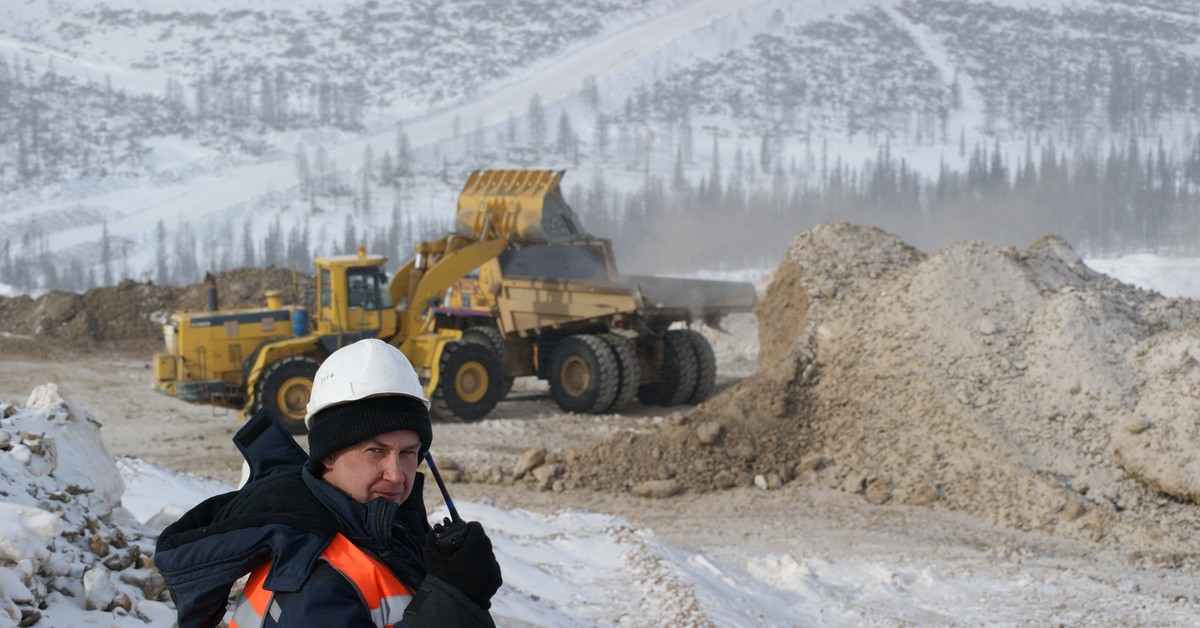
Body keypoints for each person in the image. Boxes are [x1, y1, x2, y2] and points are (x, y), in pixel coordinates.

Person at [154, 339, 503, 627]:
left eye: (409, 453)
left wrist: (441, 578)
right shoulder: (311, 578)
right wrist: (455, 595)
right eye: (375, 451)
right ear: (328, 456)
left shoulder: (379, 533)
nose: (396, 474)